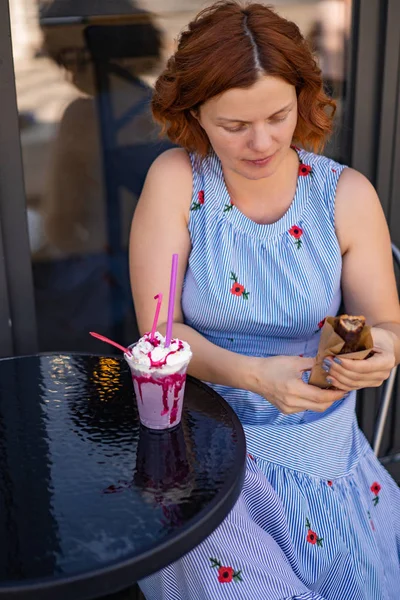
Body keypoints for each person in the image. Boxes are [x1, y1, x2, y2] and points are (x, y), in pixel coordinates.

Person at [129, 2, 400, 598]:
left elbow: (384, 324)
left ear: (303, 98)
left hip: (321, 457)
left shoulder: (347, 195)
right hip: (206, 456)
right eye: (234, 126)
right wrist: (255, 376)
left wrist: (379, 351)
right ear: (193, 112)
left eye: (279, 116)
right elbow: (159, 333)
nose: (262, 142)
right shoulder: (177, 180)